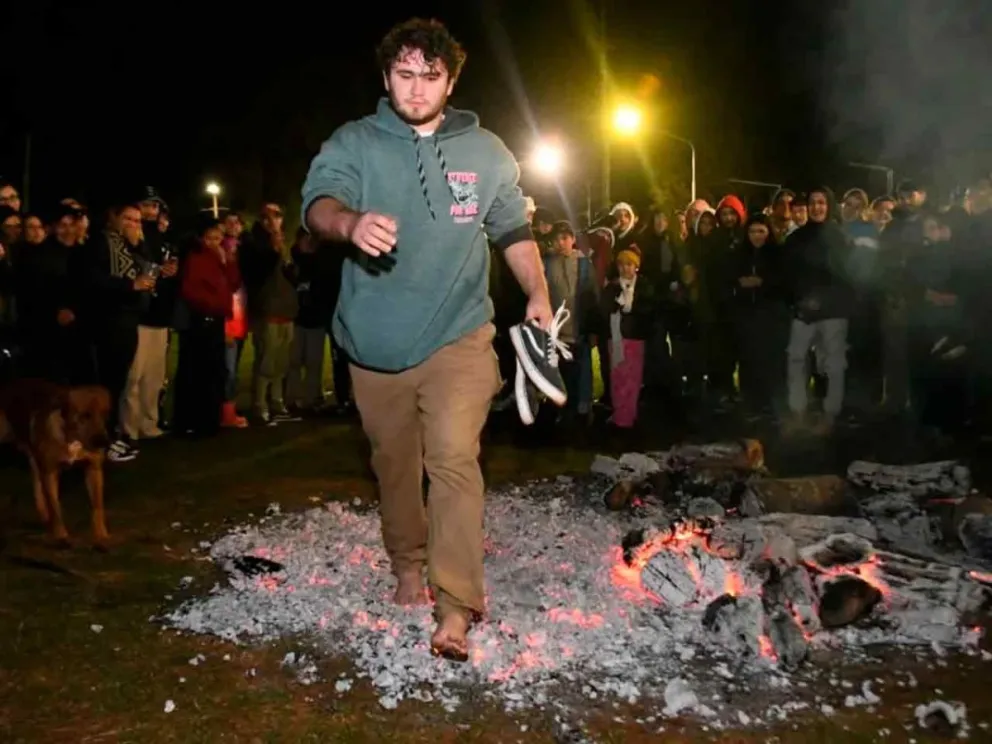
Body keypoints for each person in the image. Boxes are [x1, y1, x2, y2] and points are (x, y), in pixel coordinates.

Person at [301, 18, 553, 661]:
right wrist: (349, 221)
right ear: (387, 77)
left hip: (459, 335)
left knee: (452, 458)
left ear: (452, 79)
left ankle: (455, 605)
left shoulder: (488, 152)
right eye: (405, 75)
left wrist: (538, 293)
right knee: (395, 466)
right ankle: (407, 562)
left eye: (430, 75)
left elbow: (513, 229)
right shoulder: (355, 142)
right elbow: (319, 203)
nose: (416, 89)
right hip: (375, 341)